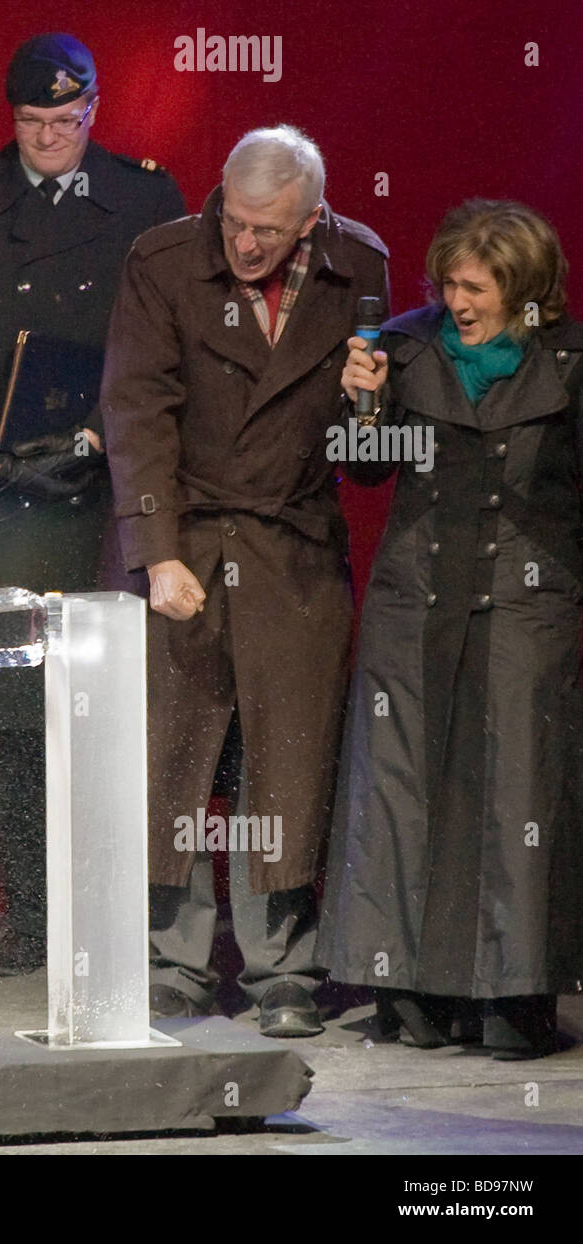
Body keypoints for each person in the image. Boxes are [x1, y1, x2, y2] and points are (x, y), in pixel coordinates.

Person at [101, 126, 389, 1037]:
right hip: (187, 535)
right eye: (235, 219)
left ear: (311, 220)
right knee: (175, 761)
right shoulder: (162, 261)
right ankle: (175, 962)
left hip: (292, 545)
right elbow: (136, 406)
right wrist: (156, 551)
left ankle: (284, 971)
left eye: (270, 228)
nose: (247, 242)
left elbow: (372, 462)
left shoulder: (360, 264)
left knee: (289, 762)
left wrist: (372, 404)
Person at [0, 32, 184, 976]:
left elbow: (169, 336)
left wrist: (112, 439)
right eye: (33, 122)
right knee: (21, 720)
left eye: (67, 120)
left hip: (115, 486)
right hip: (8, 496)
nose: (51, 138)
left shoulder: (147, 197)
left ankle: (122, 921)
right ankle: (35, 922)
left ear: (95, 109)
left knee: (116, 712)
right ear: (10, 118)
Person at [318, 200, 583, 1059]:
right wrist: (360, 406)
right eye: (448, 284)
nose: (457, 301)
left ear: (525, 289)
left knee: (516, 796)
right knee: (403, 790)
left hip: (523, 601)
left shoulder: (571, 362)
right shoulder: (403, 345)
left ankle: (512, 997)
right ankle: (411, 999)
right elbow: (363, 472)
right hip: (416, 598)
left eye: (477, 287)